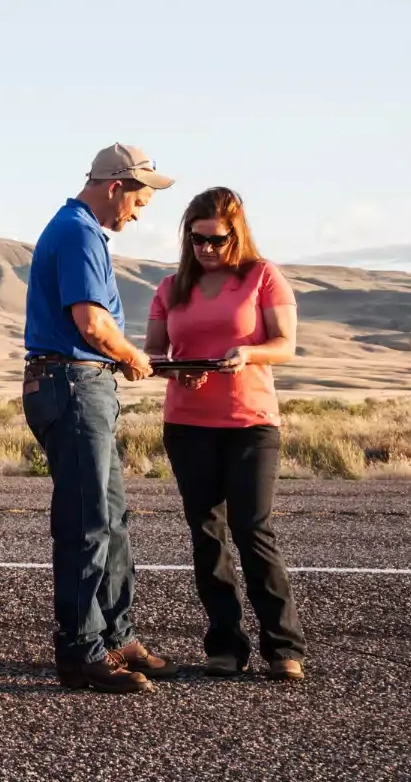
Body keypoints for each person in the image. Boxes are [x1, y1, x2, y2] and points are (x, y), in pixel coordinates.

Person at [23, 143, 177, 693]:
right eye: (139, 198)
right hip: (73, 384)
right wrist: (133, 356)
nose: (140, 211)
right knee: (87, 522)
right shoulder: (80, 232)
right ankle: (82, 652)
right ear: (115, 185)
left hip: (80, 384)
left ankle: (116, 636)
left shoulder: (80, 230)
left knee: (111, 518)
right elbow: (91, 323)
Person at [145, 186, 307, 681]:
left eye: (216, 241)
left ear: (237, 235)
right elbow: (153, 355)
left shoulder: (262, 277)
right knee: (206, 534)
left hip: (251, 423)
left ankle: (283, 647)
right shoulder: (171, 288)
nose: (207, 250)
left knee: (252, 528)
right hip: (188, 425)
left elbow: (285, 344)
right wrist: (177, 371)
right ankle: (225, 645)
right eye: (197, 240)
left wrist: (247, 353)